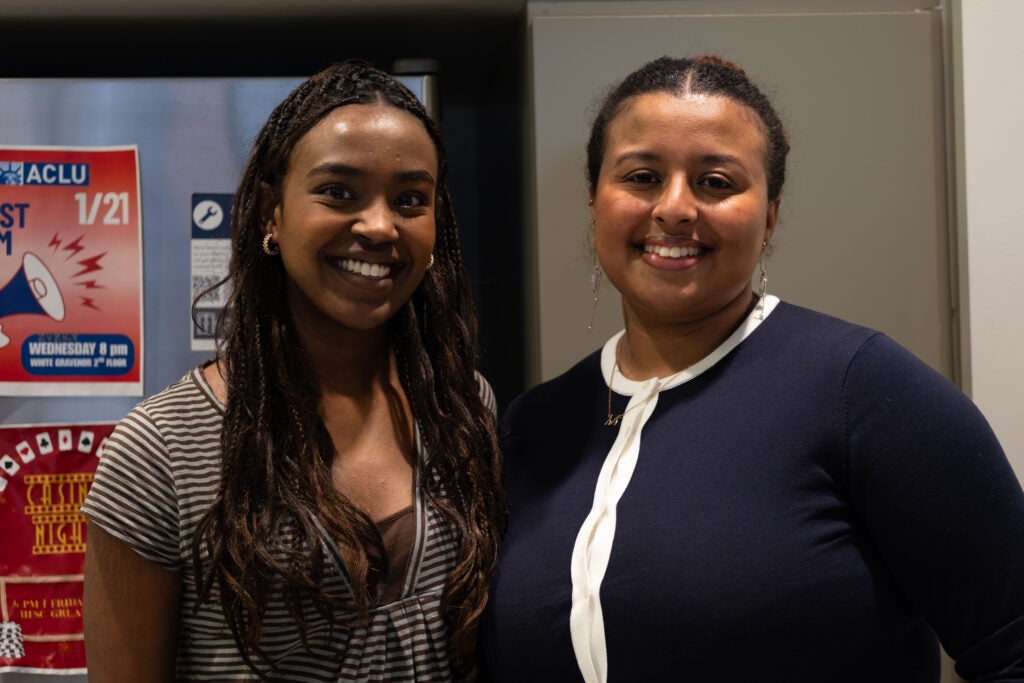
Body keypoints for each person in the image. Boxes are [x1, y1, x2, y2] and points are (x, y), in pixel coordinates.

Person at [478, 55, 1024, 682]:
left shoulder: (863, 391)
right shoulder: (537, 424)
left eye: (715, 182)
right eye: (642, 176)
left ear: (768, 216)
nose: (675, 208)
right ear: (596, 200)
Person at [81, 59, 505, 681]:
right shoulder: (162, 448)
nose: (381, 225)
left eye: (411, 199)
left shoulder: (465, 408)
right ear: (270, 215)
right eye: (338, 191)